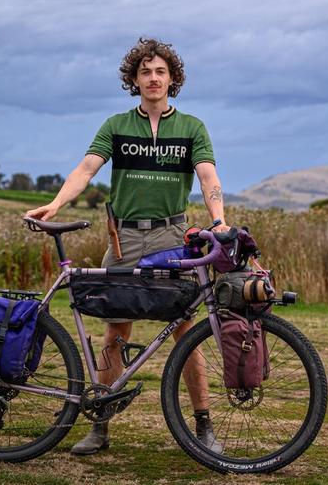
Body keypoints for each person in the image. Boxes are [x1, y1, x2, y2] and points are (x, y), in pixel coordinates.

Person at [25, 37, 228, 455]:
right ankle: (100, 427)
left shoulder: (192, 128)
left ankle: (204, 425)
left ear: (172, 79)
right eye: (145, 72)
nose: (153, 79)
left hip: (173, 236)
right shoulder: (116, 125)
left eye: (160, 72)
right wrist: (57, 202)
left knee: (185, 332)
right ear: (134, 80)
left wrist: (219, 220)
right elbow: (86, 168)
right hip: (125, 237)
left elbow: (208, 177)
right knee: (115, 330)